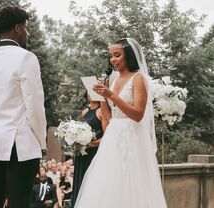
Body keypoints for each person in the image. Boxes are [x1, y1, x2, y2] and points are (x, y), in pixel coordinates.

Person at [74, 38, 167, 208]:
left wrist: (111, 95)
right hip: (112, 136)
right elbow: (108, 116)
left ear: (129, 56)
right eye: (111, 56)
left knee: (130, 182)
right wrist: (102, 97)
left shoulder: (138, 79)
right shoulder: (112, 79)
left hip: (132, 135)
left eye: (117, 55)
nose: (113, 60)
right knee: (107, 182)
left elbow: (138, 114)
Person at [0, 6, 47, 208]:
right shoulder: (26, 57)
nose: (28, 32)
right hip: (21, 141)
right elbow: (35, 106)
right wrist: (41, 140)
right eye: (26, 27)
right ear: (18, 28)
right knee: (19, 201)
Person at [71, 92, 107, 207]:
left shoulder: (101, 111)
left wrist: (92, 144)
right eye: (89, 91)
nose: (91, 94)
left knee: (91, 184)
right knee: (80, 182)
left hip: (94, 154)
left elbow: (107, 136)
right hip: (82, 154)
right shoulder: (84, 112)